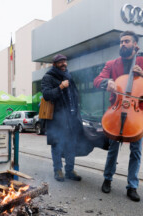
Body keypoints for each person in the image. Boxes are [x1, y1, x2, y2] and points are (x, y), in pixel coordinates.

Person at [93, 30, 143, 202]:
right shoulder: (112, 64)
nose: (123, 44)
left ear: (135, 45)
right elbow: (97, 80)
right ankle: (107, 179)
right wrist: (106, 82)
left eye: (126, 41)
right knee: (113, 149)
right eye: (121, 42)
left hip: (135, 113)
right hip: (116, 111)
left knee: (136, 152)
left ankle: (132, 186)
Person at [41, 54, 83, 182]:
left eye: (65, 61)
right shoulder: (48, 77)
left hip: (71, 117)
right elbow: (47, 95)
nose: (64, 64)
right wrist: (60, 87)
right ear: (54, 64)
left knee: (71, 145)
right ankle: (58, 170)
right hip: (57, 119)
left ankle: (69, 170)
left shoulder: (68, 76)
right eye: (60, 62)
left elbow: (75, 95)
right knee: (57, 145)